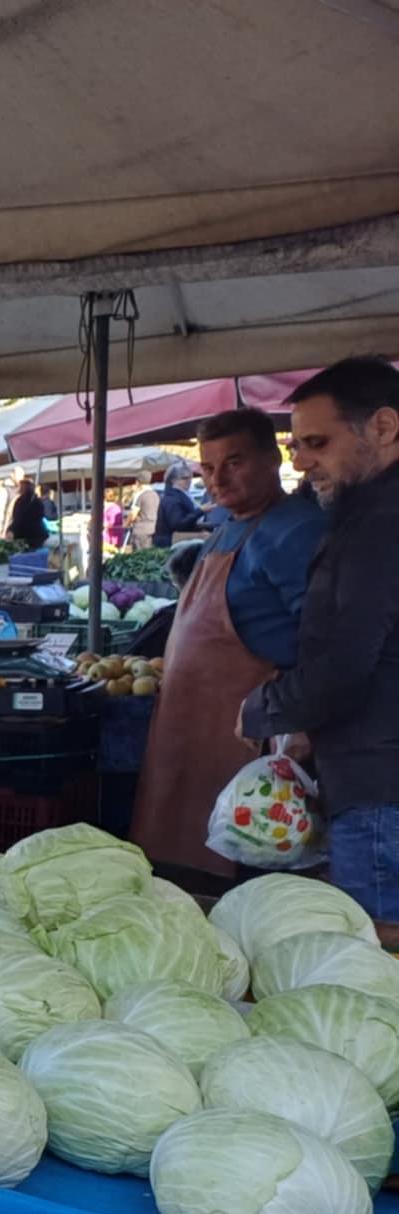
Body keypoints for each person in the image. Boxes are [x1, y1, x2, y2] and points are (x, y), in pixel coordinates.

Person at [241, 358, 399, 937]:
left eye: (316, 442)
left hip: (382, 790)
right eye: (295, 445)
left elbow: (343, 666)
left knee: (379, 973)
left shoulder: (381, 524)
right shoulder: (369, 517)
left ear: (383, 428)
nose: (301, 463)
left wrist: (264, 707)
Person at [133, 408, 323, 878]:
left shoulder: (296, 530)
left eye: (233, 462)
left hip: (247, 747)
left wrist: (301, 723)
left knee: (236, 878)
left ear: (273, 459)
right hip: (186, 734)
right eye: (208, 466)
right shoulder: (226, 527)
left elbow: (322, 639)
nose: (217, 478)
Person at [153, 461, 204, 546]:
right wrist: (200, 511)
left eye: (190, 478)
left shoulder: (182, 496)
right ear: (173, 480)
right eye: (185, 478)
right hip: (169, 545)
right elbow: (178, 524)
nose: (189, 481)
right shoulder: (172, 499)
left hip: (175, 543)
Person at [8, 476, 49, 548]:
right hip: (37, 536)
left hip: (25, 537)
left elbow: (18, 519)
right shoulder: (36, 501)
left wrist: (11, 529)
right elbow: (41, 515)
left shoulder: (21, 501)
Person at [131, 479, 162, 546]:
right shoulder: (156, 495)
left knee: (139, 554)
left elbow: (133, 515)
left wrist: (126, 523)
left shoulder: (139, 494)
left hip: (141, 529)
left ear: (137, 482)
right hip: (154, 528)